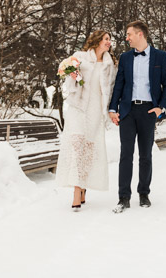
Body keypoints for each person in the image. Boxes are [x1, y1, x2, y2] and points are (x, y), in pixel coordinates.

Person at [109, 20, 166, 213]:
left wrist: (160, 107)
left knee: (146, 155)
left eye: (129, 34)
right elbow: (119, 84)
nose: (126, 38)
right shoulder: (125, 58)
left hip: (148, 112)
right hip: (127, 111)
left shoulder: (160, 56)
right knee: (125, 155)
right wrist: (113, 109)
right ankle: (123, 197)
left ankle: (144, 193)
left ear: (140, 35)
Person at [56, 30, 117, 211]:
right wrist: (76, 77)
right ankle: (76, 191)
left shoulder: (109, 64)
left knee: (89, 149)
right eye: (106, 39)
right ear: (97, 41)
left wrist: (111, 111)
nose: (109, 42)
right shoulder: (79, 57)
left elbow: (111, 90)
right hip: (78, 109)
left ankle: (83, 186)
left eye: (109, 40)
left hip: (96, 111)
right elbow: (69, 83)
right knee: (76, 146)